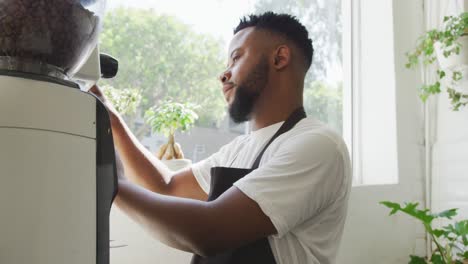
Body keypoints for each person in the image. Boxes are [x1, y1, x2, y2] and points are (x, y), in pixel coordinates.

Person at [89, 12, 352, 264]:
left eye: (236, 58)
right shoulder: (239, 148)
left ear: (280, 58)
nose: (223, 75)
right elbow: (166, 187)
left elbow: (210, 232)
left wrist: (111, 183)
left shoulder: (317, 145)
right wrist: (111, 118)